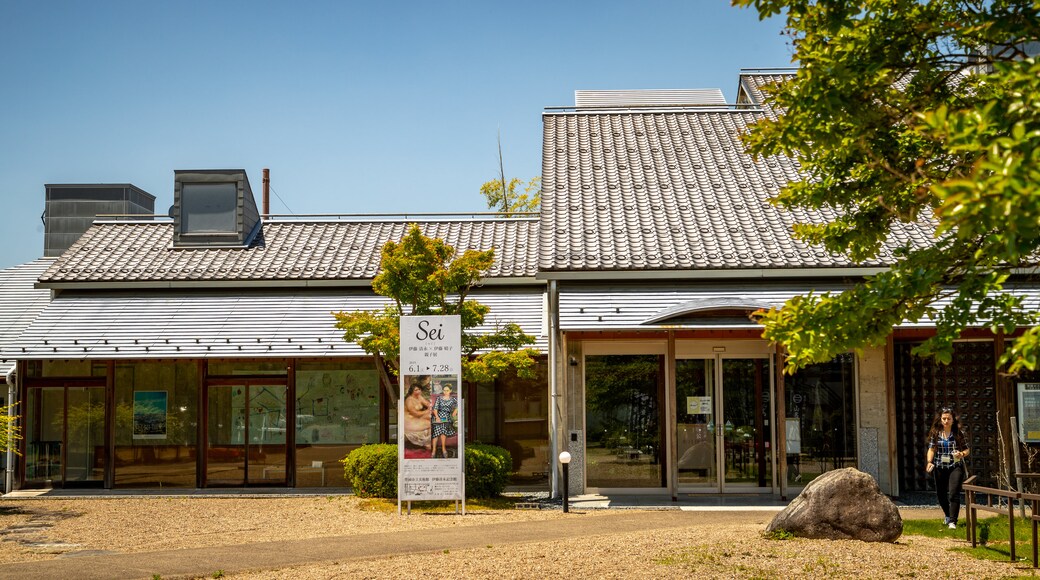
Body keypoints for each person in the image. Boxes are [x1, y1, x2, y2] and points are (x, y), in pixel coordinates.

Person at [925, 406, 970, 529]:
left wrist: (961, 454)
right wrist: (929, 462)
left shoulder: (959, 433)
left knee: (954, 493)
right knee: (941, 494)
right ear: (940, 419)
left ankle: (953, 522)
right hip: (939, 466)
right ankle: (948, 515)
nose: (946, 421)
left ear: (953, 420)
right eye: (944, 418)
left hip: (955, 466)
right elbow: (931, 449)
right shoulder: (935, 433)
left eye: (948, 419)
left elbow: (967, 450)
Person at [430, 384, 459, 458]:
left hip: (447, 416)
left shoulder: (453, 399)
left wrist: (454, 413)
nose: (445, 392)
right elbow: (435, 409)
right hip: (438, 416)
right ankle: (434, 450)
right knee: (437, 429)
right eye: (444, 390)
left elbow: (458, 405)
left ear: (450, 391)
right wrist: (437, 417)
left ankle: (443, 448)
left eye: (447, 390)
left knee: (443, 427)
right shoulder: (439, 398)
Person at [402, 382, 432, 453]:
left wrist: (430, 407)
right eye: (416, 390)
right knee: (431, 421)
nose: (418, 391)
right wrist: (427, 411)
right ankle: (426, 443)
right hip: (410, 421)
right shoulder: (409, 400)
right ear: (412, 391)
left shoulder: (419, 397)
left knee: (432, 417)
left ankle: (429, 442)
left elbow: (428, 404)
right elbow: (415, 413)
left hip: (418, 418)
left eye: (419, 389)